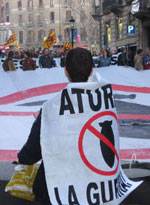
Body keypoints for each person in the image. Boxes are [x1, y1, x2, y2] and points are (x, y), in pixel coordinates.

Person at [17, 47, 93, 205]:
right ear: (91, 71)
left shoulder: (51, 108)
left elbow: (30, 154)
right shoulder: (104, 106)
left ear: (65, 71)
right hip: (95, 186)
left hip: (55, 189)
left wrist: (22, 158)